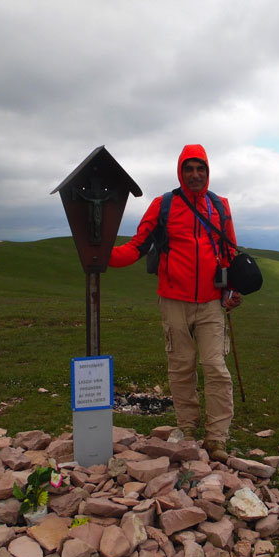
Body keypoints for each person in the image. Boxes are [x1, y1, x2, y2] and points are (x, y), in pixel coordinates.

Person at [109, 144, 242, 462]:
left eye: (201, 169)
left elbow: (229, 252)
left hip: (210, 302)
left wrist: (232, 289)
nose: (195, 175)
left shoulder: (220, 206)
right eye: (189, 168)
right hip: (173, 301)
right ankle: (187, 428)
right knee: (181, 368)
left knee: (215, 367)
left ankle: (217, 437)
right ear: (180, 171)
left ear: (208, 172)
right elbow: (138, 244)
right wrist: (103, 258)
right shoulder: (163, 205)